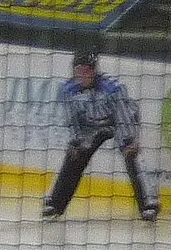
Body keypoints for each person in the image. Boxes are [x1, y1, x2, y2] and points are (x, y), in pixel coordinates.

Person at [44, 49, 159, 222]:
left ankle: (149, 204)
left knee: (132, 156)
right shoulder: (69, 91)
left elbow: (124, 114)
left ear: (95, 70)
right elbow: (72, 120)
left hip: (119, 123)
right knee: (74, 157)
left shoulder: (113, 88)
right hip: (91, 127)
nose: (83, 75)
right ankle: (55, 204)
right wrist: (76, 143)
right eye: (79, 71)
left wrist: (130, 140)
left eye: (87, 71)